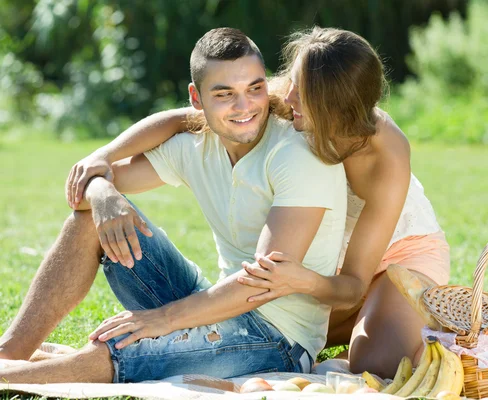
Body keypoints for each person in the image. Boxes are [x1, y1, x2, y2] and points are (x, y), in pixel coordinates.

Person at [64, 27, 450, 379]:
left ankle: (431, 325)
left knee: (376, 365)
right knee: (269, 321)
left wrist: (307, 280)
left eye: (300, 91)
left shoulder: (386, 157)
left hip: (396, 260)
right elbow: (184, 119)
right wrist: (104, 157)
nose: (286, 95)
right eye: (291, 82)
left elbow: (351, 284)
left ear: (333, 103)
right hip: (326, 258)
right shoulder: (299, 99)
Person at [0, 27, 347, 383]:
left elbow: (260, 283)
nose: (245, 107)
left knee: (124, 344)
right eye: (225, 94)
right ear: (197, 98)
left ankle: (10, 377)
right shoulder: (198, 145)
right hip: (212, 304)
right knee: (90, 218)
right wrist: (103, 194)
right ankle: (9, 355)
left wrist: (161, 320)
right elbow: (83, 189)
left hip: (278, 340)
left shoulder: (296, 155)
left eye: (254, 88)